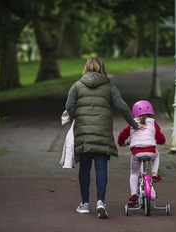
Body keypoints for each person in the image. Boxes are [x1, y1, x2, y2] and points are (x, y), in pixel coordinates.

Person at [65, 57, 142, 218]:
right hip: (103, 133)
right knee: (101, 168)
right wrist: (134, 125)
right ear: (102, 69)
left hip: (84, 134)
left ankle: (84, 204)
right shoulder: (109, 87)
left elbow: (69, 106)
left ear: (86, 68)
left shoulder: (77, 86)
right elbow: (122, 106)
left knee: (84, 168)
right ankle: (101, 201)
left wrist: (74, 121)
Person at [117, 100, 166, 207]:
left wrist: (122, 143)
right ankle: (154, 173)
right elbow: (161, 139)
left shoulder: (131, 123)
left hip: (136, 152)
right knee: (156, 155)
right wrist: (158, 141)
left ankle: (133, 194)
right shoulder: (153, 123)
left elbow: (122, 136)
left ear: (134, 113)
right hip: (151, 151)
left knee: (134, 173)